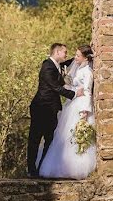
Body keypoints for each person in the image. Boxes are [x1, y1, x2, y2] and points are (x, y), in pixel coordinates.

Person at [38, 45, 96, 179]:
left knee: (75, 136)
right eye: (74, 55)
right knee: (65, 136)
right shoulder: (79, 69)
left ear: (85, 58)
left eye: (77, 56)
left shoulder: (87, 72)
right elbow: (73, 86)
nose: (74, 58)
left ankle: (76, 167)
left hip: (80, 105)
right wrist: (70, 86)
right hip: (72, 103)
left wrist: (84, 111)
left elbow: (87, 92)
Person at [27, 43, 79, 177]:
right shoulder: (47, 67)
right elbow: (56, 87)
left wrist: (79, 57)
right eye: (65, 52)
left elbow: (65, 64)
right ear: (57, 52)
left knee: (50, 139)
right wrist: (74, 94)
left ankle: (43, 168)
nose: (66, 54)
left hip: (51, 109)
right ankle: (32, 170)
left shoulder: (56, 65)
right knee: (35, 139)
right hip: (41, 108)